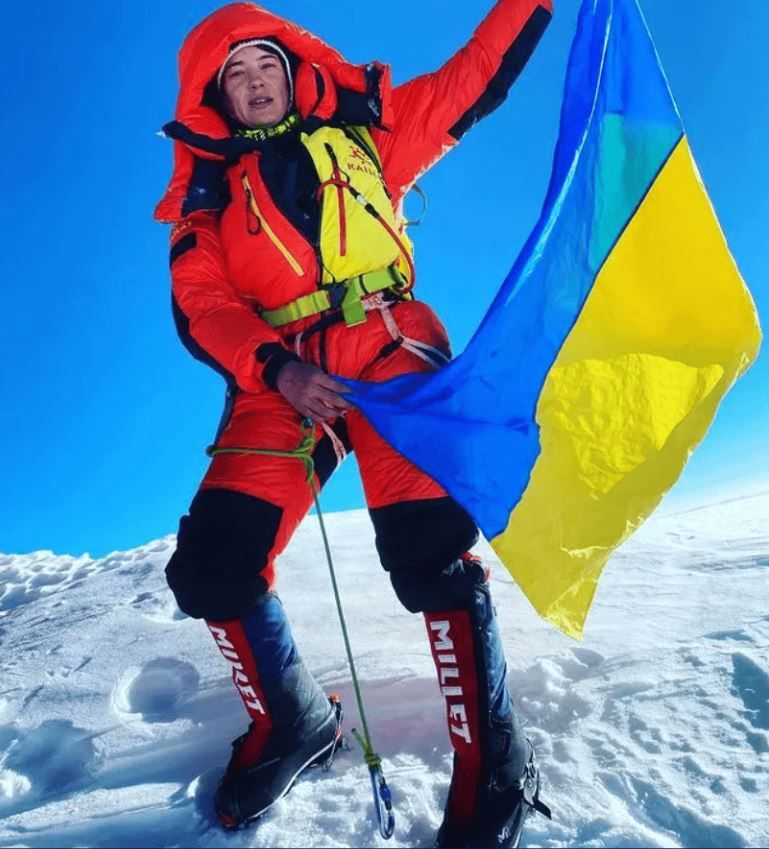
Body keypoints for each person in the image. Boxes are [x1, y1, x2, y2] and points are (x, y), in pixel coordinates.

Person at [155, 2, 553, 845]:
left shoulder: (373, 138)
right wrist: (279, 369)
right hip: (278, 376)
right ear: (217, 97)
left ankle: (494, 758)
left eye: (265, 65)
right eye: (236, 75)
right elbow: (204, 305)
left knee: (428, 551)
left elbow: (473, 75)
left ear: (293, 73)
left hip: (386, 343)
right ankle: (293, 722)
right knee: (212, 565)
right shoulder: (206, 200)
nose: (254, 82)